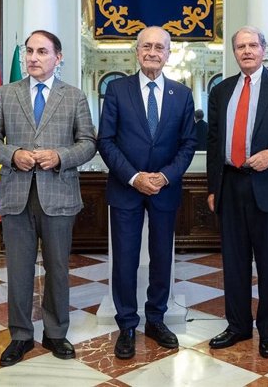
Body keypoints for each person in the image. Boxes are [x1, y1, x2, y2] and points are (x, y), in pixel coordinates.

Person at [0, 30, 96, 367]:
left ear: (57, 58)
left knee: (58, 269)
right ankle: (20, 335)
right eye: (29, 51)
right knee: (18, 270)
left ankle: (56, 333)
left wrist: (59, 156)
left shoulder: (73, 97)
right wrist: (13, 154)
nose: (33, 57)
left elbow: (88, 142)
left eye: (42, 52)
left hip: (58, 195)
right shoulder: (5, 94)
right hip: (16, 195)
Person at [206, 26, 268, 358]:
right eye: (240, 46)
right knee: (233, 263)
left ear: (264, 50)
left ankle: (267, 331)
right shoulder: (221, 91)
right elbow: (212, 143)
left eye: (252, 45)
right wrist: (212, 188)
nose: (246, 51)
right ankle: (237, 326)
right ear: (234, 53)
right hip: (230, 185)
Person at [97, 26, 197, 360]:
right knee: (124, 261)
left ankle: (155, 319)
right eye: (147, 46)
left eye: (160, 47)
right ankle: (126, 324)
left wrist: (165, 177)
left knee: (161, 258)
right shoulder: (116, 90)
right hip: (126, 189)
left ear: (169, 54)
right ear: (136, 52)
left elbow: (188, 144)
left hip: (164, 191)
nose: (153, 52)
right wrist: (135, 176)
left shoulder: (181, 95)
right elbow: (106, 141)